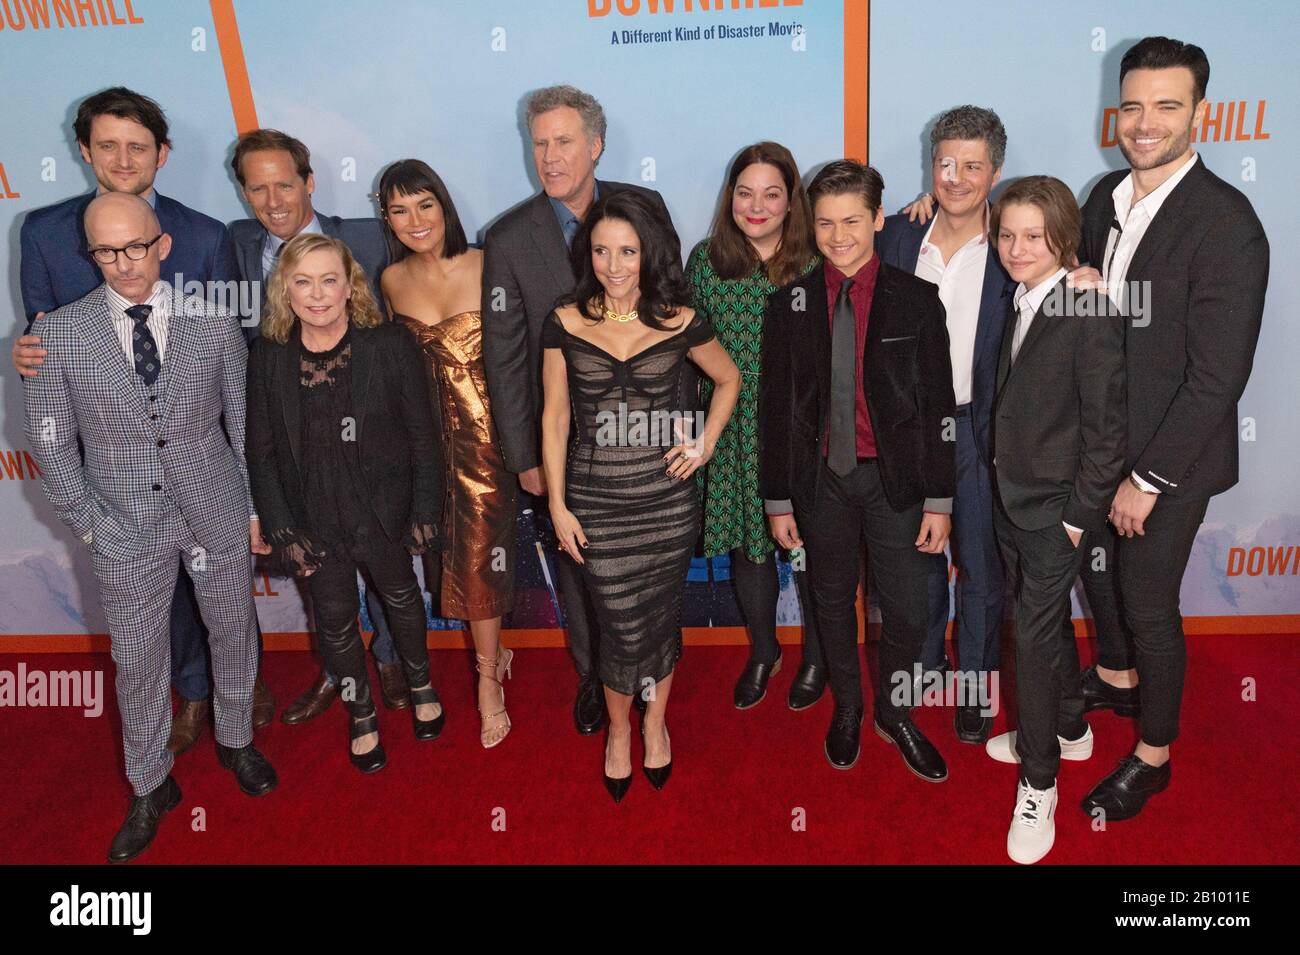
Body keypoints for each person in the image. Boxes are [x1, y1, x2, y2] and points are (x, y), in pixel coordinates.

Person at [23, 193, 276, 864]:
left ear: (162, 244)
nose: (123, 264)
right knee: (136, 662)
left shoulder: (214, 323)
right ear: (90, 253)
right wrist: (89, 523)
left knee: (231, 629)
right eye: (106, 251)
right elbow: (51, 441)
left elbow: (244, 427)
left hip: (215, 507)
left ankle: (236, 740)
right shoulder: (57, 334)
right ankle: (149, 785)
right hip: (122, 524)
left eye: (135, 246)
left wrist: (251, 509)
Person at [11, 86, 257, 754]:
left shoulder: (207, 236)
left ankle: (225, 715)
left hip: (204, 474)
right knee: (144, 636)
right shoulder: (43, 230)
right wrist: (85, 516)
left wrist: (253, 494)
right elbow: (40, 341)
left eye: (138, 145)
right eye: (108, 144)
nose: (123, 159)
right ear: (85, 150)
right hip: (119, 478)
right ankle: (181, 710)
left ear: (162, 154)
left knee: (227, 614)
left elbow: (228, 358)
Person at [1071, 37, 1268, 821]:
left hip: (1171, 458)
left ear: (1200, 114)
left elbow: (1218, 377)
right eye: (1133, 105)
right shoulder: (1103, 198)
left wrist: (1146, 480)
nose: (1144, 123)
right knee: (1096, 574)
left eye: (1166, 106)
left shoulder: (1226, 222)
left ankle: (1152, 756)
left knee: (1147, 597)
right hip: (1101, 441)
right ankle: (1116, 677)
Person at [481, 85, 679, 735]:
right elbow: (506, 359)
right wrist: (526, 457)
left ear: (594, 144)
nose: (549, 156)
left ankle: (649, 674)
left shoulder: (643, 209)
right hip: (567, 447)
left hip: (650, 438)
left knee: (647, 568)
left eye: (563, 141)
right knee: (582, 568)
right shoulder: (507, 239)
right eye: (538, 143)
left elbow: (675, 319)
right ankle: (596, 673)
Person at [541, 190, 740, 801]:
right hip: (595, 502)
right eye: (602, 251)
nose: (615, 264)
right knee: (618, 626)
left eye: (627, 250)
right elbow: (554, 419)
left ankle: (653, 722)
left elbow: (729, 378)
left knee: (656, 621)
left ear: (648, 253)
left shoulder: (680, 318)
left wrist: (704, 443)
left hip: (666, 500)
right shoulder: (565, 320)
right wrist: (556, 503)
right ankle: (619, 731)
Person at [760, 160, 955, 781]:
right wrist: (777, 499)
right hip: (821, 482)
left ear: (877, 218)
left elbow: (938, 407)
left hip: (895, 482)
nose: (838, 235)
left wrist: (940, 498)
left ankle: (895, 713)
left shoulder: (918, 300)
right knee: (830, 601)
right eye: (824, 223)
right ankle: (848, 705)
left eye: (851, 220)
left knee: (907, 612)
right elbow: (774, 408)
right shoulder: (787, 304)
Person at [245, 234, 445, 774]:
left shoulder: (388, 345)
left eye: (329, 280)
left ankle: (420, 681)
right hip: (314, 518)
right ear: (285, 289)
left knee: (402, 601)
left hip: (382, 509)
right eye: (303, 282)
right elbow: (260, 453)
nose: (317, 294)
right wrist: (282, 528)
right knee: (334, 621)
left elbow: (424, 435)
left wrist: (426, 509)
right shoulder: (267, 357)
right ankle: (361, 713)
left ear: (348, 284)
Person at [228, 128, 406, 723]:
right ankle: (342, 672)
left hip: (370, 442)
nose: (274, 200)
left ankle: (391, 660)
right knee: (321, 582)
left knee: (386, 568)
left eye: (285, 183)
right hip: (291, 446)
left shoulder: (367, 238)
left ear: (310, 182)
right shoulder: (230, 245)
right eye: (258, 188)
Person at [982, 177, 1126, 863]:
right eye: (1007, 234)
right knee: (1041, 625)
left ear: (1063, 238)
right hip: (1014, 498)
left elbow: (1106, 434)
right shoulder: (1025, 296)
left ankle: (1040, 779)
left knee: (1032, 642)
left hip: (1056, 513)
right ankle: (1070, 725)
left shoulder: (1086, 309)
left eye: (1033, 237)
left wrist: (1075, 520)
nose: (1016, 248)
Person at [878, 106, 1016, 743]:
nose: (956, 178)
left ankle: (977, 687)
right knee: (919, 561)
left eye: (971, 165)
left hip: (982, 433)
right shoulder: (898, 238)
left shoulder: (1018, 243)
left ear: (995, 169)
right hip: (911, 432)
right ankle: (927, 667)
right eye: (945, 164)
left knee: (982, 572)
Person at [378, 159, 519, 749]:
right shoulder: (389, 280)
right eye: (399, 210)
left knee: (480, 554)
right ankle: (497, 651)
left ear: (444, 205)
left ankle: (489, 682)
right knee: (447, 553)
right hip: (429, 444)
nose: (415, 220)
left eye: (425, 204)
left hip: (493, 442)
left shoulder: (488, 264)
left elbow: (520, 356)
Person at [685, 142, 825, 710]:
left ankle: (816, 656)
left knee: (810, 551)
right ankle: (764, 652)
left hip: (800, 432)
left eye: (772, 194)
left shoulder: (816, 262)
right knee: (750, 550)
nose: (757, 206)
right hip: (734, 429)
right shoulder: (705, 260)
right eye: (745, 193)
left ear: (792, 202)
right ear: (730, 197)